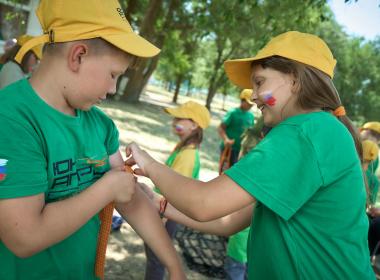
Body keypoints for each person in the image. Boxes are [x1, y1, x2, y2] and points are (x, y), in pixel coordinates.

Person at [126, 31, 375, 279]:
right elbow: (230, 221)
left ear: (295, 80)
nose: (254, 95)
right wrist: (162, 204)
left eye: (259, 82)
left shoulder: (304, 132)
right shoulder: (321, 130)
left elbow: (204, 203)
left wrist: (148, 163)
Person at [0, 0, 185, 279]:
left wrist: (173, 265)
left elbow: (129, 196)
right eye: (113, 75)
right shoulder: (11, 119)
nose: (112, 89)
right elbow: (23, 237)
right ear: (78, 56)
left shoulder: (100, 125)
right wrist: (106, 188)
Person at [144, 101, 210, 280]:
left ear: (195, 125)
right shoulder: (184, 149)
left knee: (156, 259)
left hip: (166, 214)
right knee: (154, 258)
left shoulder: (188, 156)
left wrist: (163, 219)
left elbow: (176, 193)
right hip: (163, 210)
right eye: (175, 118)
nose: (175, 121)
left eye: (180, 118)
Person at [218, 89, 254, 169]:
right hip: (229, 149)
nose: (251, 106)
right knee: (225, 173)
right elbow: (221, 128)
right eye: (249, 103)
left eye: (252, 104)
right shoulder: (232, 113)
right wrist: (226, 139)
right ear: (242, 100)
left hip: (241, 150)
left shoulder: (251, 116)